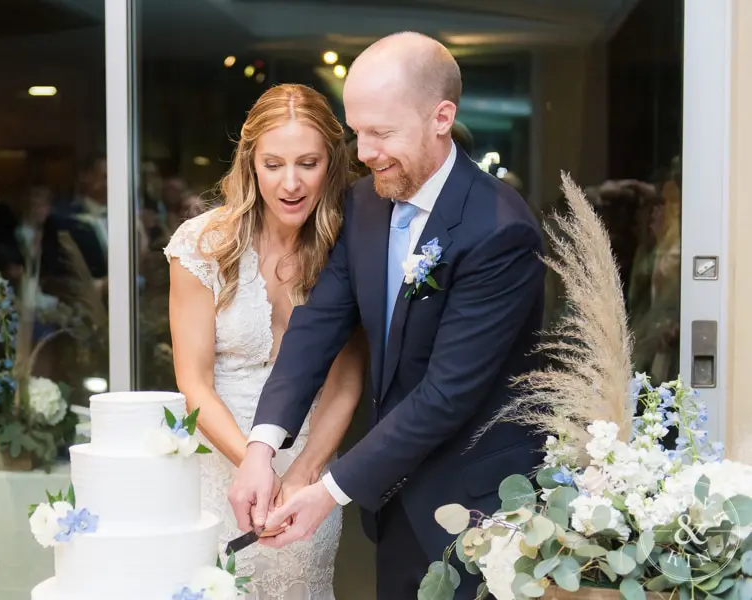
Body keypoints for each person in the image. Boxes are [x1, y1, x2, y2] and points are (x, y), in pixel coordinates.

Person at [230, 32, 546, 599]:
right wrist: (263, 447)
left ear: (441, 117)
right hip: (393, 498)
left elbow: (447, 392)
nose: (365, 151)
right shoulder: (364, 203)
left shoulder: (501, 230)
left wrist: (328, 488)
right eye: (357, 132)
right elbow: (318, 326)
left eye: (381, 133)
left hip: (480, 510)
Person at [165, 83, 368, 599]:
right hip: (217, 465)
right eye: (273, 164)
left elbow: (345, 379)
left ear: (332, 163)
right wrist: (251, 466)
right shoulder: (202, 244)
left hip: (309, 467)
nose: (292, 182)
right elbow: (193, 380)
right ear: (250, 162)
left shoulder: (353, 245)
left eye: (308, 162)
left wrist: (301, 474)